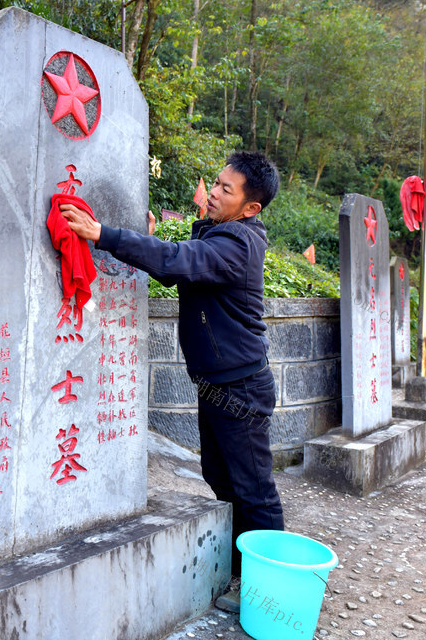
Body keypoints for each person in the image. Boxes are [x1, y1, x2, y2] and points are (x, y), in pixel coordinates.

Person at [60, 150, 284, 613]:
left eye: (227, 189)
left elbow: (178, 260)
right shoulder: (220, 233)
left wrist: (104, 235)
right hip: (221, 385)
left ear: (250, 207)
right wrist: (145, 242)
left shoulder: (238, 243)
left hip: (239, 389)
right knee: (220, 477)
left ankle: (272, 591)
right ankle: (245, 572)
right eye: (217, 183)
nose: (215, 193)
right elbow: (178, 265)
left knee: (254, 491)